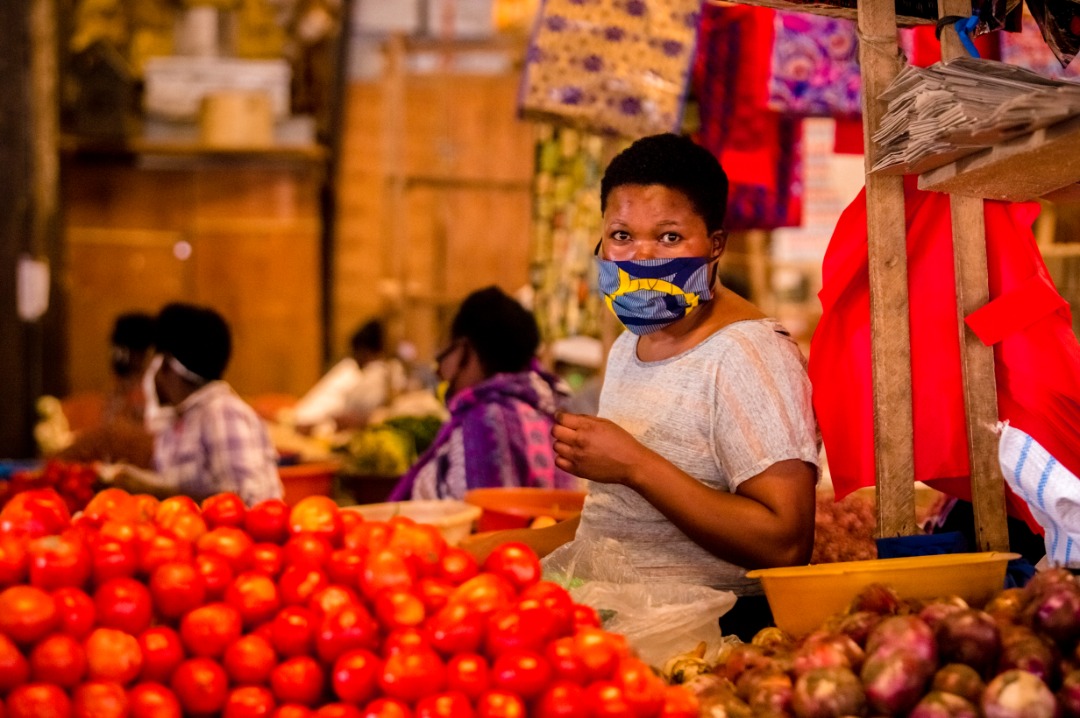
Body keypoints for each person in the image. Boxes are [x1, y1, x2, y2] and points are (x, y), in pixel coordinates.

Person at [462, 133, 820, 641]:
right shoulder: (631, 345)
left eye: (670, 237)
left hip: (709, 640)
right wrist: (485, 551)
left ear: (716, 244)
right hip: (615, 618)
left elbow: (785, 543)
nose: (642, 256)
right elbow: (615, 528)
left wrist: (633, 463)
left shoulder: (748, 355)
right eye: (622, 235)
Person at [388, 286, 581, 500]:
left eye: (443, 352)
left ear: (464, 349)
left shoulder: (483, 422)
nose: (438, 369)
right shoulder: (550, 413)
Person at [106, 302, 283, 506]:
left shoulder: (222, 412)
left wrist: (155, 492)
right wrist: (130, 480)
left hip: (231, 538)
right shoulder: (178, 420)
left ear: (165, 366)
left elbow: (250, 503)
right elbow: (178, 486)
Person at [291, 319, 407, 433]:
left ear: (363, 351)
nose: (355, 357)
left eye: (356, 353)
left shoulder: (377, 373)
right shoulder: (355, 371)